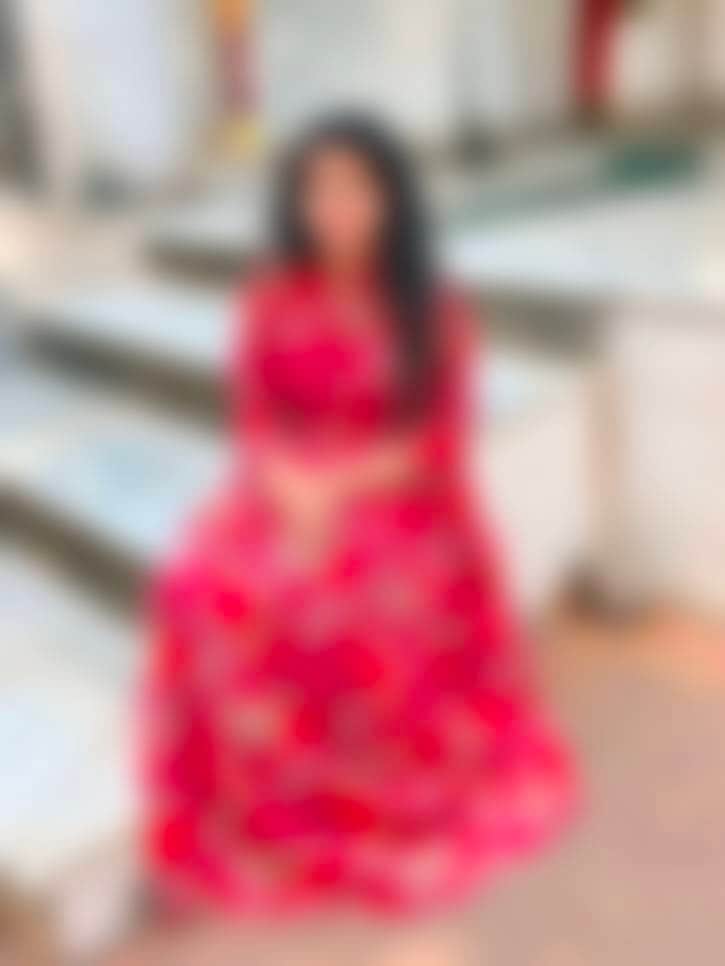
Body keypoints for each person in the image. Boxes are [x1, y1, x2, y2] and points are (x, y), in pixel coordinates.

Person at [138, 112, 575, 918]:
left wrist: (334, 492)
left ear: (390, 198)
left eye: (354, 187)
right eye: (317, 190)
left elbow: (438, 441)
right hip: (284, 484)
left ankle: (365, 805)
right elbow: (254, 419)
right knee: (200, 583)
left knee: (352, 598)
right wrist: (287, 486)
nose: (335, 207)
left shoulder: (430, 308)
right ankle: (251, 809)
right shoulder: (271, 298)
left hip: (402, 497)